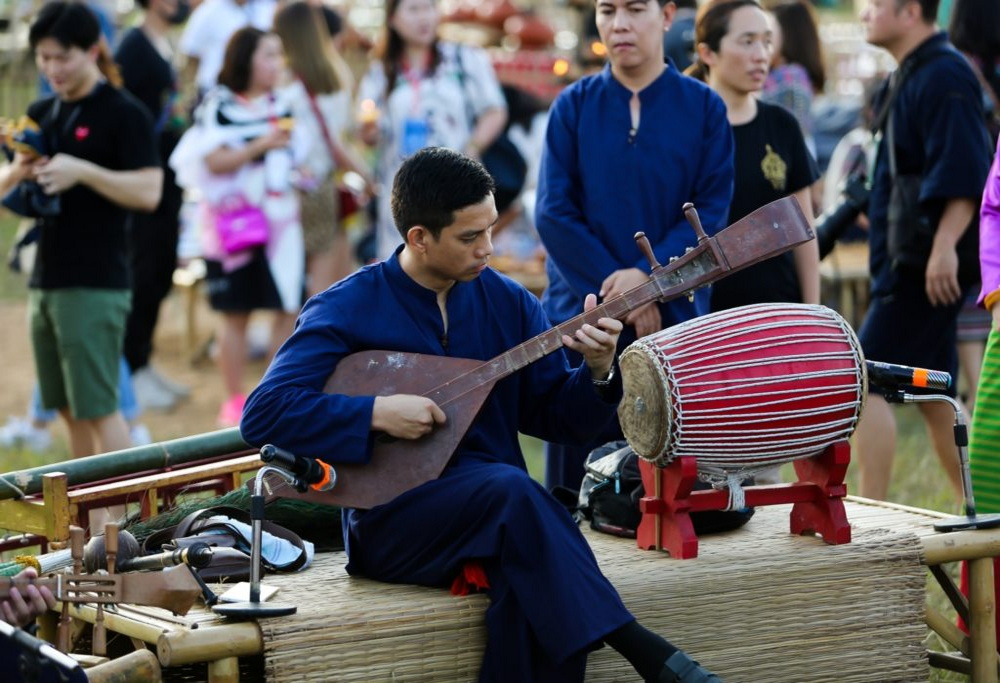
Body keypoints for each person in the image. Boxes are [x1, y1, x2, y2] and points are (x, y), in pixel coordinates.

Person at [241, 147, 721, 683]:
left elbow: (556, 417)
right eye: (470, 237)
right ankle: (649, 654)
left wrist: (599, 371)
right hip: (395, 523)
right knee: (519, 499)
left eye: (491, 229)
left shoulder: (508, 302)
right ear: (419, 237)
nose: (489, 248)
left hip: (501, 517)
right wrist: (375, 413)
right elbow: (263, 413)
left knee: (532, 585)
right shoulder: (347, 307)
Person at [535, 0, 734, 490]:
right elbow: (553, 212)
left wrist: (650, 283)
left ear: (667, 15)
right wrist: (622, 297)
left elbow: (709, 213)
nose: (618, 23)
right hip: (584, 316)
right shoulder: (574, 105)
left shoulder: (704, 108)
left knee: (671, 488)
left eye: (635, 9)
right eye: (607, 10)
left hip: (673, 320)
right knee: (574, 489)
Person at [0, 2, 162, 458]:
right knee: (69, 408)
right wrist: (19, 170)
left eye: (62, 57)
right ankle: (93, 518)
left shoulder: (122, 112)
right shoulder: (41, 111)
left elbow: (150, 191)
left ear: (93, 51)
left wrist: (82, 172)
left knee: (99, 408)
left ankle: (130, 519)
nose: (52, 68)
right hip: (45, 280)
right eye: (44, 57)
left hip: (95, 282)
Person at [852, 0, 993, 501]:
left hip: (924, 264)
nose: (861, 12)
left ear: (910, 10)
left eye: (871, 3)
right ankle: (982, 510)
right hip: (912, 259)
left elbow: (967, 171)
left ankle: (871, 511)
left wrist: (945, 248)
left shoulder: (944, 74)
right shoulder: (912, 73)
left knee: (863, 378)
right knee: (937, 395)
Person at [170, 27, 308, 427]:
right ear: (245, 58)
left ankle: (273, 392)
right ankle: (233, 402)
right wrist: (261, 145)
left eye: (279, 54)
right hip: (235, 228)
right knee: (236, 314)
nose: (277, 63)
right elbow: (213, 161)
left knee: (286, 307)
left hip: (283, 227)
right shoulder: (218, 105)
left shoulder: (283, 103)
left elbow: (294, 153)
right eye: (268, 54)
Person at [686, 0, 819, 314]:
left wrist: (813, 313)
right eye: (747, 42)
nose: (762, 55)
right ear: (708, 53)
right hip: (701, 319)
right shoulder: (686, 131)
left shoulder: (782, 126)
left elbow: (804, 230)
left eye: (767, 41)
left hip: (777, 313)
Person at [357, 0, 507, 261]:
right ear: (393, 18)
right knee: (404, 270)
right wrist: (369, 131)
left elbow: (495, 110)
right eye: (413, 9)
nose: (423, 17)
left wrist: (472, 148)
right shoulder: (382, 70)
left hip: (457, 182)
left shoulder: (464, 58)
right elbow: (369, 132)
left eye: (428, 8)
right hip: (402, 188)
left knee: (460, 259)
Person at [116, 0, 193, 412]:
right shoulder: (132, 47)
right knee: (143, 272)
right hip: (145, 180)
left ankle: (142, 363)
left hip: (168, 180)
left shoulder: (163, 44)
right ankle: (130, 371)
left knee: (160, 271)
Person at [274, 1, 371, 296]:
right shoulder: (333, 78)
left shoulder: (278, 80)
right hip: (319, 186)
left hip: (282, 188)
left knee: (291, 284)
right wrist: (367, 176)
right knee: (324, 284)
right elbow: (338, 142)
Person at [948, 0, 1000, 408]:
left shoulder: (961, 66)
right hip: (986, 207)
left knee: (972, 316)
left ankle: (975, 399)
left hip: (975, 211)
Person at [760, 0, 825, 157]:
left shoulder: (789, 79)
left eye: (769, 32)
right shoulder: (795, 75)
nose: (762, 39)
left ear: (788, 34)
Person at [178, 0, 277, 102]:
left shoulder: (264, 8)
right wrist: (187, 94)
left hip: (255, 96)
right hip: (214, 92)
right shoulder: (209, 10)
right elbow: (190, 54)